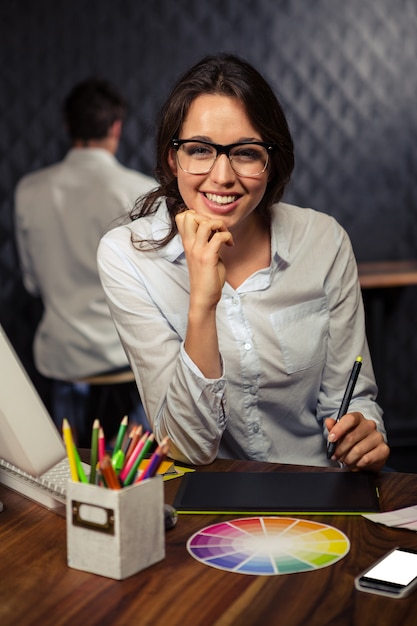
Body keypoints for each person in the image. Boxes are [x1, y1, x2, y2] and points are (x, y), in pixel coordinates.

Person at [97, 54, 390, 470]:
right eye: (199, 150)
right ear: (171, 158)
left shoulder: (323, 241)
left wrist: (364, 430)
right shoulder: (128, 255)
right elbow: (186, 448)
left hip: (317, 486)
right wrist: (202, 303)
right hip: (206, 503)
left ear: (272, 163)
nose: (222, 176)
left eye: (246, 153)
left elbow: (352, 397)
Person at [15, 77, 155, 446]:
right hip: (131, 363)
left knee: (67, 484)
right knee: (146, 481)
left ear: (68, 127)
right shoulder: (142, 193)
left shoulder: (29, 191)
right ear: (116, 127)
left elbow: (31, 283)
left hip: (65, 360)